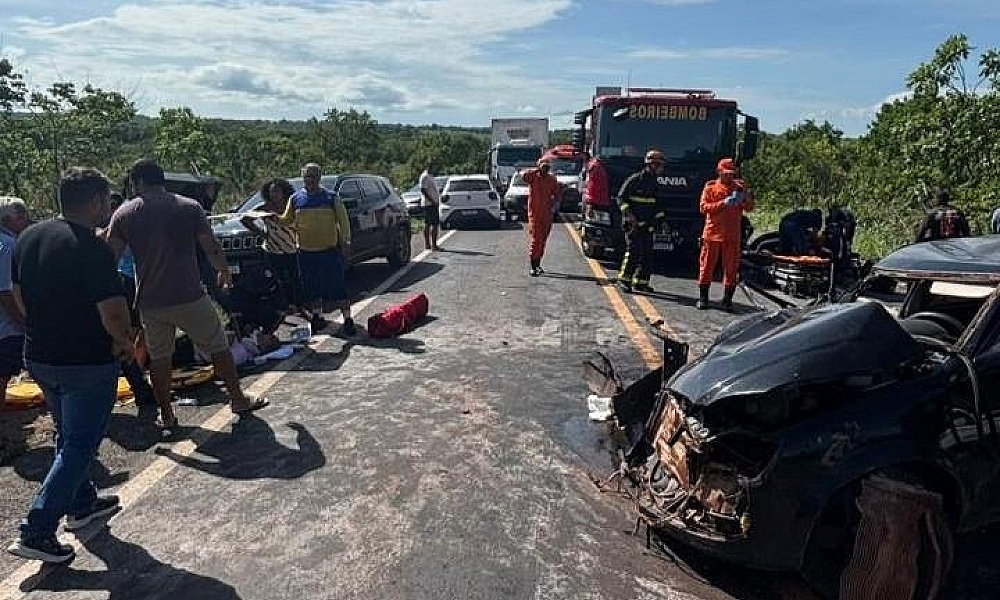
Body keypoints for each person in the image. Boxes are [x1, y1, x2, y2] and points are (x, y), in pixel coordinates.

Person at [6, 167, 133, 563]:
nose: (108, 208)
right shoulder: (91, 246)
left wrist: (41, 328)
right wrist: (125, 342)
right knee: (80, 443)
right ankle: (38, 529)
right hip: (87, 360)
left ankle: (81, 503)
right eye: (107, 201)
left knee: (67, 433)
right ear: (94, 201)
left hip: (41, 354)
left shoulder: (28, 237)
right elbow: (112, 310)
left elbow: (18, 294)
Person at [107, 158, 269, 437]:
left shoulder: (124, 214)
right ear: (162, 180)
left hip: (150, 301)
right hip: (188, 294)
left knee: (159, 358)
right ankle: (238, 400)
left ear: (138, 182)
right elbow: (211, 246)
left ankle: (167, 415)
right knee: (217, 346)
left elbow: (110, 256)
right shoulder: (188, 207)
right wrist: (223, 272)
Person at [272, 163, 355, 335]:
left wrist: (346, 242)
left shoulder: (331, 198)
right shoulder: (295, 199)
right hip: (306, 253)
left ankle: (347, 319)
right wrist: (274, 219)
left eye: (313, 176)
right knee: (312, 288)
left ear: (319, 177)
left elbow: (343, 221)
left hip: (329, 252)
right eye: (307, 176)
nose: (310, 180)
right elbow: (287, 220)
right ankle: (317, 317)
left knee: (338, 287)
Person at [240, 178, 323, 329]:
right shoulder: (264, 208)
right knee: (276, 282)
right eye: (271, 192)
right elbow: (245, 219)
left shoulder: (291, 207)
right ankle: (281, 311)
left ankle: (305, 311)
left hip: (292, 249)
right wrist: (261, 233)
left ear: (284, 192)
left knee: (297, 281)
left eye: (277, 191)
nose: (274, 195)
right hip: (273, 251)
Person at [697, 157, 755, 311]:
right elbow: (703, 208)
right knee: (706, 266)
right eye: (726, 173)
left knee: (731, 269)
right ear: (719, 172)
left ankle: (727, 300)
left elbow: (749, 208)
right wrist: (723, 203)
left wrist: (746, 195)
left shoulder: (739, 187)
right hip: (712, 234)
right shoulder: (710, 187)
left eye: (732, 173)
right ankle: (703, 298)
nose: (729, 176)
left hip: (732, 236)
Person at [616, 150, 666, 293]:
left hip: (648, 225)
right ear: (651, 165)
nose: (661, 169)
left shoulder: (655, 183)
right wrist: (628, 215)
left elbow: (657, 205)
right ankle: (624, 279)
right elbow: (620, 198)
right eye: (659, 165)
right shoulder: (635, 180)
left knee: (647, 254)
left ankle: (641, 282)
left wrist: (661, 221)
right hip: (633, 224)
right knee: (633, 252)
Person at [0, 197, 29, 409]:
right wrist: (22, 321)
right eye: (22, 216)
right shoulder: (8, 246)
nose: (26, 220)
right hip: (7, 327)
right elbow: (5, 291)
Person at [522, 159, 561, 276]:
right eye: (543, 167)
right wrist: (536, 169)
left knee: (543, 240)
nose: (545, 169)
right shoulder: (533, 177)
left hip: (547, 214)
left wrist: (554, 206)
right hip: (535, 214)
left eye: (547, 167)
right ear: (539, 167)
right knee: (536, 239)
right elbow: (524, 176)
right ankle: (533, 266)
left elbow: (557, 194)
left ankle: (538, 263)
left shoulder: (551, 179)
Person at [419, 161, 441, 251]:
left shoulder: (431, 176)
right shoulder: (425, 177)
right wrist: (432, 201)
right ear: (428, 167)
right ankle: (432, 245)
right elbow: (423, 190)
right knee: (432, 224)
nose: (434, 169)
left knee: (430, 224)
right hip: (429, 204)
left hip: (433, 203)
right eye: (433, 167)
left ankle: (430, 244)